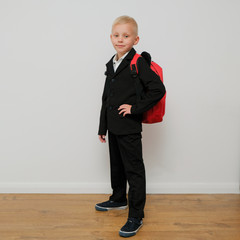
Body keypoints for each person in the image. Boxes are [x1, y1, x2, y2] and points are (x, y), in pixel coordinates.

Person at [95, 15, 166, 238]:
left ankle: (136, 215)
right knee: (116, 165)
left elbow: (158, 89)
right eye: (116, 35)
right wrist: (102, 127)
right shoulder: (112, 62)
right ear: (110, 37)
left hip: (129, 127)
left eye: (126, 36)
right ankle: (118, 199)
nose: (120, 39)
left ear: (135, 40)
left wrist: (134, 108)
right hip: (114, 126)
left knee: (134, 170)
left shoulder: (138, 62)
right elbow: (106, 97)